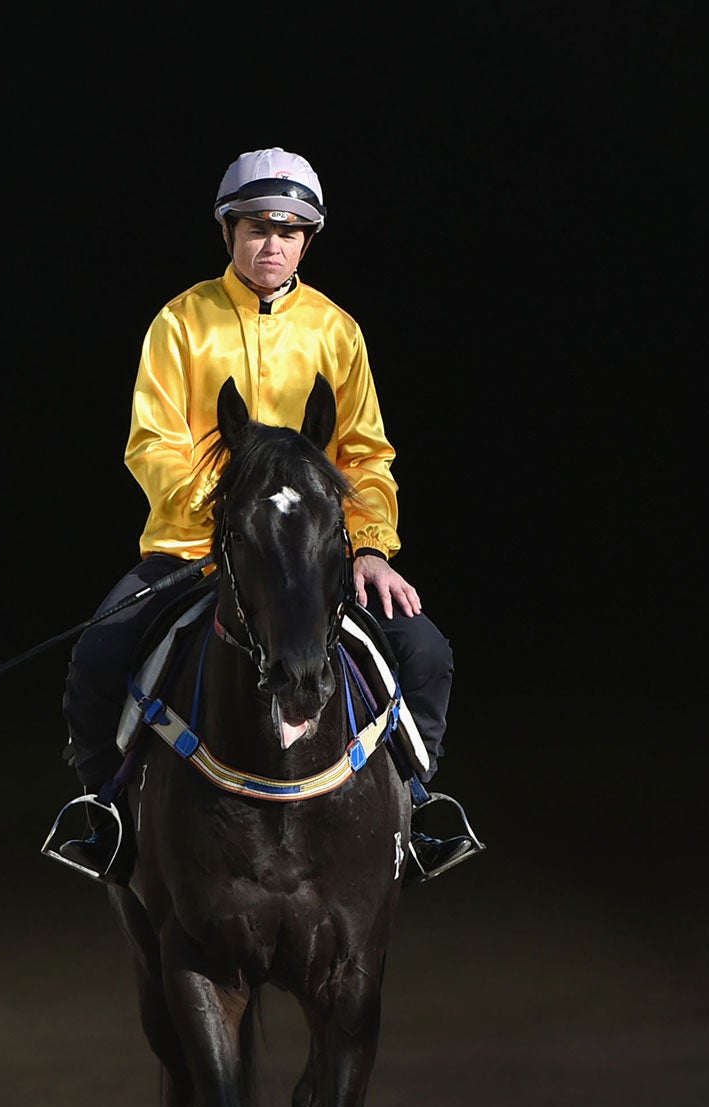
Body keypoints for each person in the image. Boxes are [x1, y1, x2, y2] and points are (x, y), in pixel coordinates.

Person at [46, 146, 483, 884]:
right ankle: (105, 814)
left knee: (429, 652)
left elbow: (366, 455)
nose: (272, 243)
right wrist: (223, 519)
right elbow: (152, 444)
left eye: (289, 229)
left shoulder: (336, 331)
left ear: (308, 239)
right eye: (256, 227)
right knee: (95, 659)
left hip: (313, 558)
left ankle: (417, 807)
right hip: (194, 549)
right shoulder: (180, 323)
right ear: (228, 232)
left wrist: (371, 549)